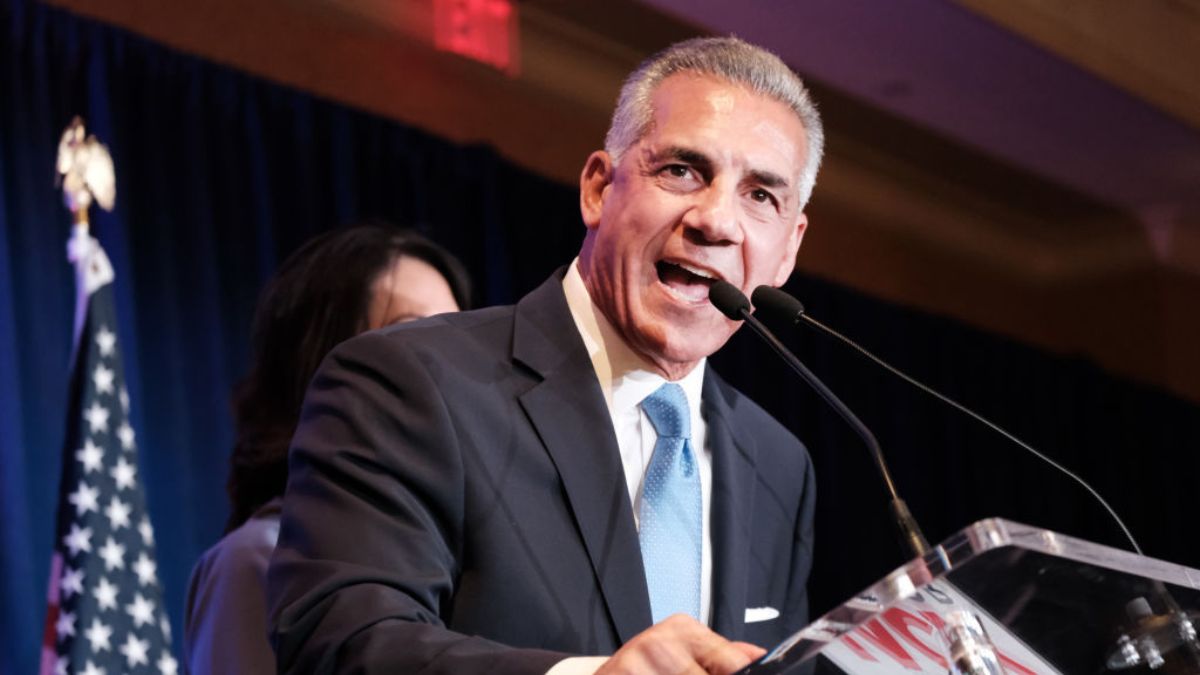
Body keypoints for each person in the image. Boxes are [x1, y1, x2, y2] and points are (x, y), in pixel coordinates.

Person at [269, 35, 824, 675]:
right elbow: (340, 642)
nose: (716, 221)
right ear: (598, 189)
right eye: (681, 170)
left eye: (761, 196)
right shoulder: (412, 382)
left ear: (788, 250)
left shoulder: (777, 464)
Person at [183, 223, 471, 675]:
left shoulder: (466, 555)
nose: (447, 364)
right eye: (413, 335)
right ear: (322, 363)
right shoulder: (258, 559)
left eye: (456, 337)